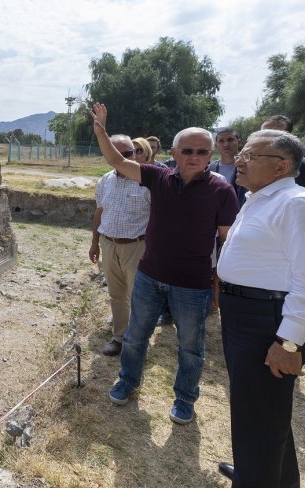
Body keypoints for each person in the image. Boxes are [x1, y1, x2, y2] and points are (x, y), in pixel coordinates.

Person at [90, 103, 239, 424]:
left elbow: (228, 242)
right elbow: (116, 160)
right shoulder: (158, 178)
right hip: (149, 276)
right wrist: (101, 130)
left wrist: (219, 286)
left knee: (190, 348)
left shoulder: (222, 191)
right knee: (135, 337)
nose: (194, 156)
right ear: (174, 151)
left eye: (202, 150)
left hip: (193, 284)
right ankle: (128, 381)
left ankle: (185, 398)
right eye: (187, 150)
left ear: (211, 154)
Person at [215, 129, 305, 487]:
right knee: (263, 413)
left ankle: (256, 475)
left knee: (258, 417)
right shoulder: (261, 198)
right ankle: (269, 474)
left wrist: (289, 343)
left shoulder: (298, 204)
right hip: (248, 316)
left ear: (281, 166)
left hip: (270, 321)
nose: (239, 160)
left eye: (250, 156)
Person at [90, 135, 151, 356]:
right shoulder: (105, 179)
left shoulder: (147, 181)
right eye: (115, 154)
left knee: (138, 297)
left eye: (126, 154)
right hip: (109, 244)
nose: (120, 158)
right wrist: (95, 242)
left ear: (135, 154)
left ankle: (138, 341)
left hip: (137, 246)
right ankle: (120, 337)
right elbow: (99, 212)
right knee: (116, 294)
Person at [260, 115, 305, 200]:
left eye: (274, 135)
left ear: (288, 137)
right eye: (263, 134)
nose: (267, 139)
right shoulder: (248, 165)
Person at [209, 126, 247, 207]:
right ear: (216, 145)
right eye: (221, 141)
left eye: (230, 140)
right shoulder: (210, 169)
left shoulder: (248, 167)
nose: (226, 144)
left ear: (239, 142)